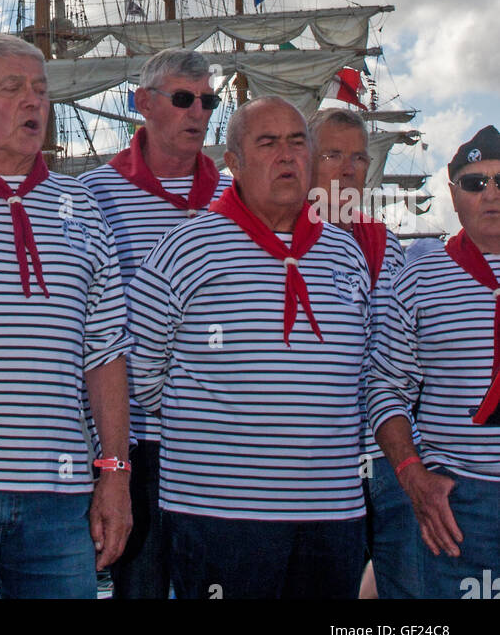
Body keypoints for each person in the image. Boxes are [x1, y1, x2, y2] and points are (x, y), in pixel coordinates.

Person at [128, 95, 371, 599]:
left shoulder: (345, 252)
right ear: (233, 163)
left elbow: (364, 371)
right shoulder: (185, 248)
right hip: (220, 513)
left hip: (333, 513)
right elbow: (140, 371)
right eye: (268, 143)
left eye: (297, 142)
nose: (287, 156)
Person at [0, 33, 132, 599]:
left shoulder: (83, 205)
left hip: (58, 495)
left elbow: (105, 353)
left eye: (41, 90)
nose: (35, 102)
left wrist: (115, 475)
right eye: (13, 88)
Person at [81, 48, 221, 599]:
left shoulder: (235, 197)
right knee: (138, 588)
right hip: (135, 439)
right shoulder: (93, 195)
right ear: (143, 103)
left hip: (217, 437)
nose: (199, 113)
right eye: (183, 99)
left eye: (208, 101)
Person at [367, 124, 500, 599]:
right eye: (475, 182)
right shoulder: (421, 273)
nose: (491, 194)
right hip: (453, 501)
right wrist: (411, 476)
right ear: (453, 193)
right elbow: (384, 387)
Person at [309, 107, 420, 599]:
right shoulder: (282, 247)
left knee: (404, 585)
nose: (348, 169)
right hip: (318, 458)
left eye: (358, 157)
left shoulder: (387, 246)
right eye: (332, 154)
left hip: (384, 452)